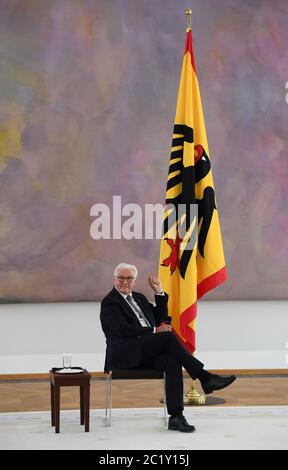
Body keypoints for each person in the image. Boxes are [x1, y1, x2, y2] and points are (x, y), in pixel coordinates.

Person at [100, 262, 236, 433]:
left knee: (172, 361)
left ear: (134, 281)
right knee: (167, 337)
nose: (125, 282)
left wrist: (158, 292)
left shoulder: (139, 298)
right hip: (124, 353)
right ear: (115, 279)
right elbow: (122, 330)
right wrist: (155, 330)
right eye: (121, 278)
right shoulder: (110, 302)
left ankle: (176, 417)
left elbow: (160, 317)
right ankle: (205, 377)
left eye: (129, 278)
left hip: (145, 350)